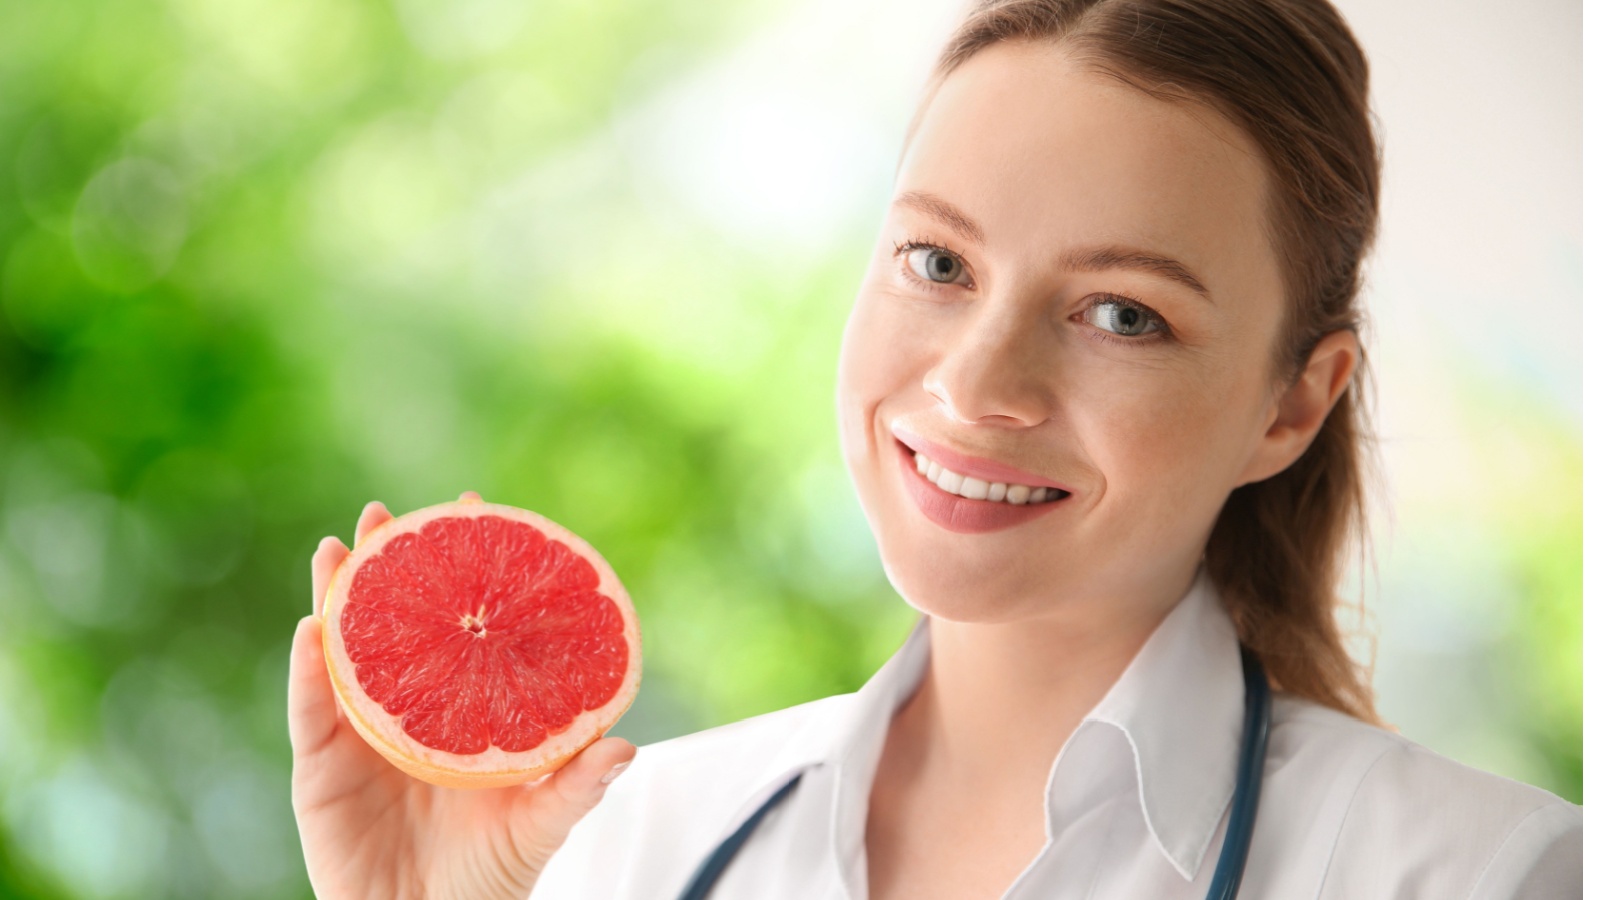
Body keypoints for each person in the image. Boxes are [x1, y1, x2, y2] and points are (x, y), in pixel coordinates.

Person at [288, 0, 1582, 897]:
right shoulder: (629, 845)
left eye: (1123, 313)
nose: (976, 384)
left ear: (1291, 406)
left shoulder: (1480, 875)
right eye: (938, 262)